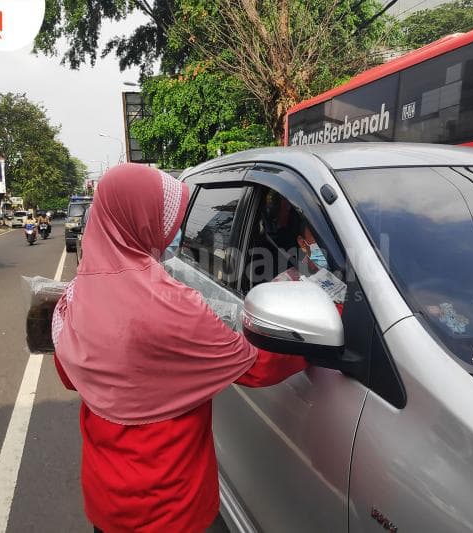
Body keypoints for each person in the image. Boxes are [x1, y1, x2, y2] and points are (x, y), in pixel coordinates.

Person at [51, 164, 308, 533]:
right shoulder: (170, 305)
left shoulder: (75, 296)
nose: (173, 232)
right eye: (163, 218)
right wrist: (317, 334)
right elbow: (255, 366)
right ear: (138, 219)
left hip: (105, 501)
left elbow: (69, 377)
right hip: (173, 507)